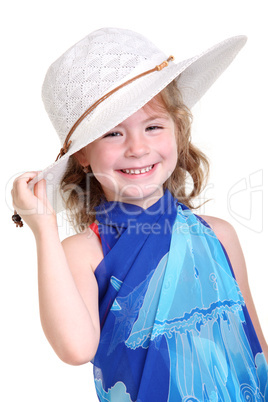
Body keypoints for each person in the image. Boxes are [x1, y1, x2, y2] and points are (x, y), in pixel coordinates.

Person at [11, 27, 268, 401]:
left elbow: (255, 345)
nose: (137, 147)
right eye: (113, 133)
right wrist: (44, 228)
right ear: (82, 154)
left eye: (153, 126)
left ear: (177, 131)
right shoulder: (83, 253)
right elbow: (76, 349)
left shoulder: (220, 234)